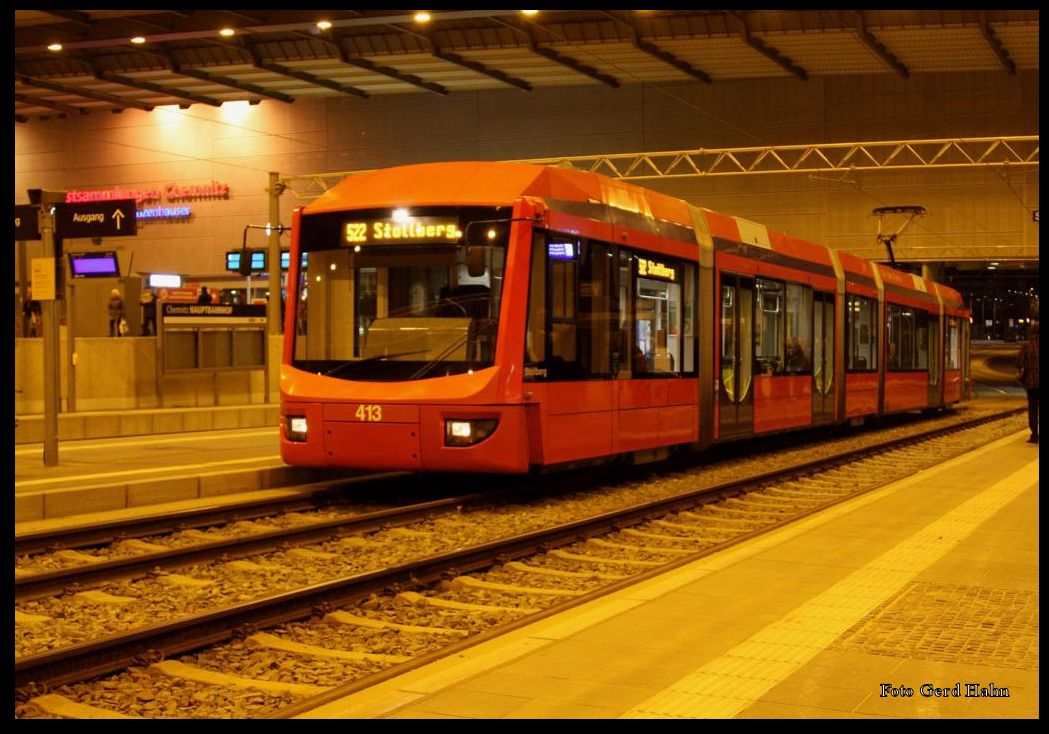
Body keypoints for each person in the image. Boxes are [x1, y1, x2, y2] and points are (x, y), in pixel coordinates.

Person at [1016, 321, 1039, 443]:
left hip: (1031, 383)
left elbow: (1018, 362)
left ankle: (1035, 434)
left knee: (1033, 408)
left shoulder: (1026, 345)